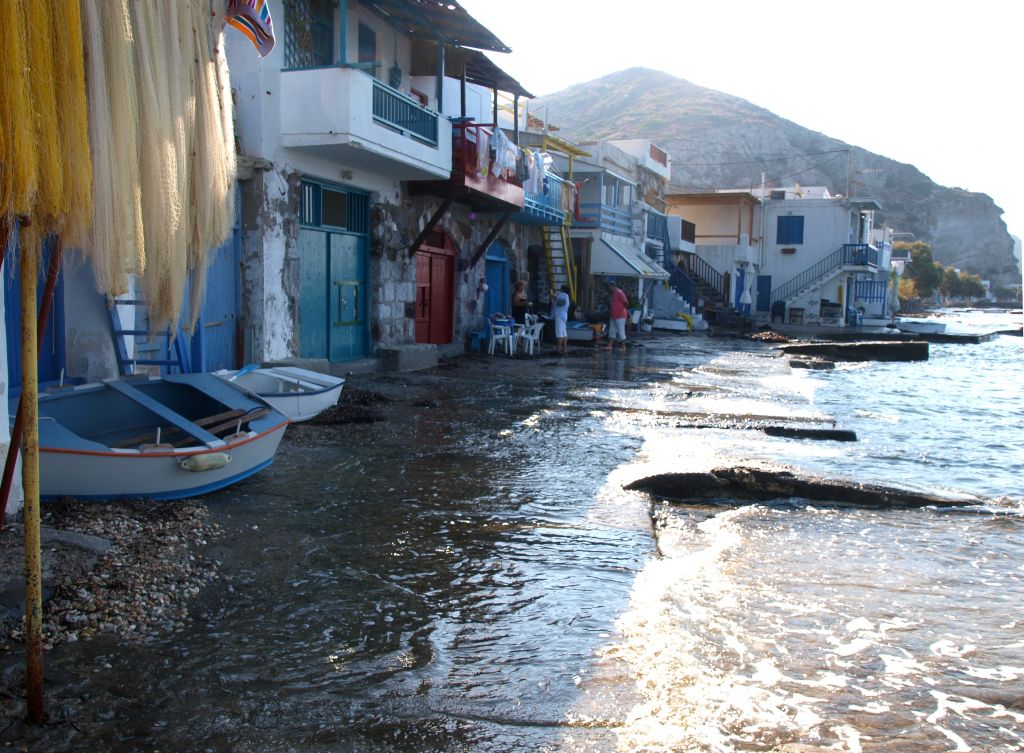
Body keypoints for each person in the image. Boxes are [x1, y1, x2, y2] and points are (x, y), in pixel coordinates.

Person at [605, 278, 628, 352]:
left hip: (620, 315)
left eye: (609, 287)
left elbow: (626, 302)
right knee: (611, 331)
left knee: (621, 331)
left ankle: (624, 347)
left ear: (613, 286)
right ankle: (609, 346)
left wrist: (622, 309)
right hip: (613, 315)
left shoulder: (619, 292)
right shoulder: (613, 293)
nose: (609, 289)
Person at [549, 284, 571, 355]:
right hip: (564, 315)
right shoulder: (566, 297)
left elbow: (554, 297)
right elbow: (555, 303)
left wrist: (551, 292)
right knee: (564, 333)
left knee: (559, 333)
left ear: (562, 289)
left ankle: (558, 349)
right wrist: (552, 297)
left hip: (559, 316)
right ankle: (564, 349)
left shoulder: (563, 295)